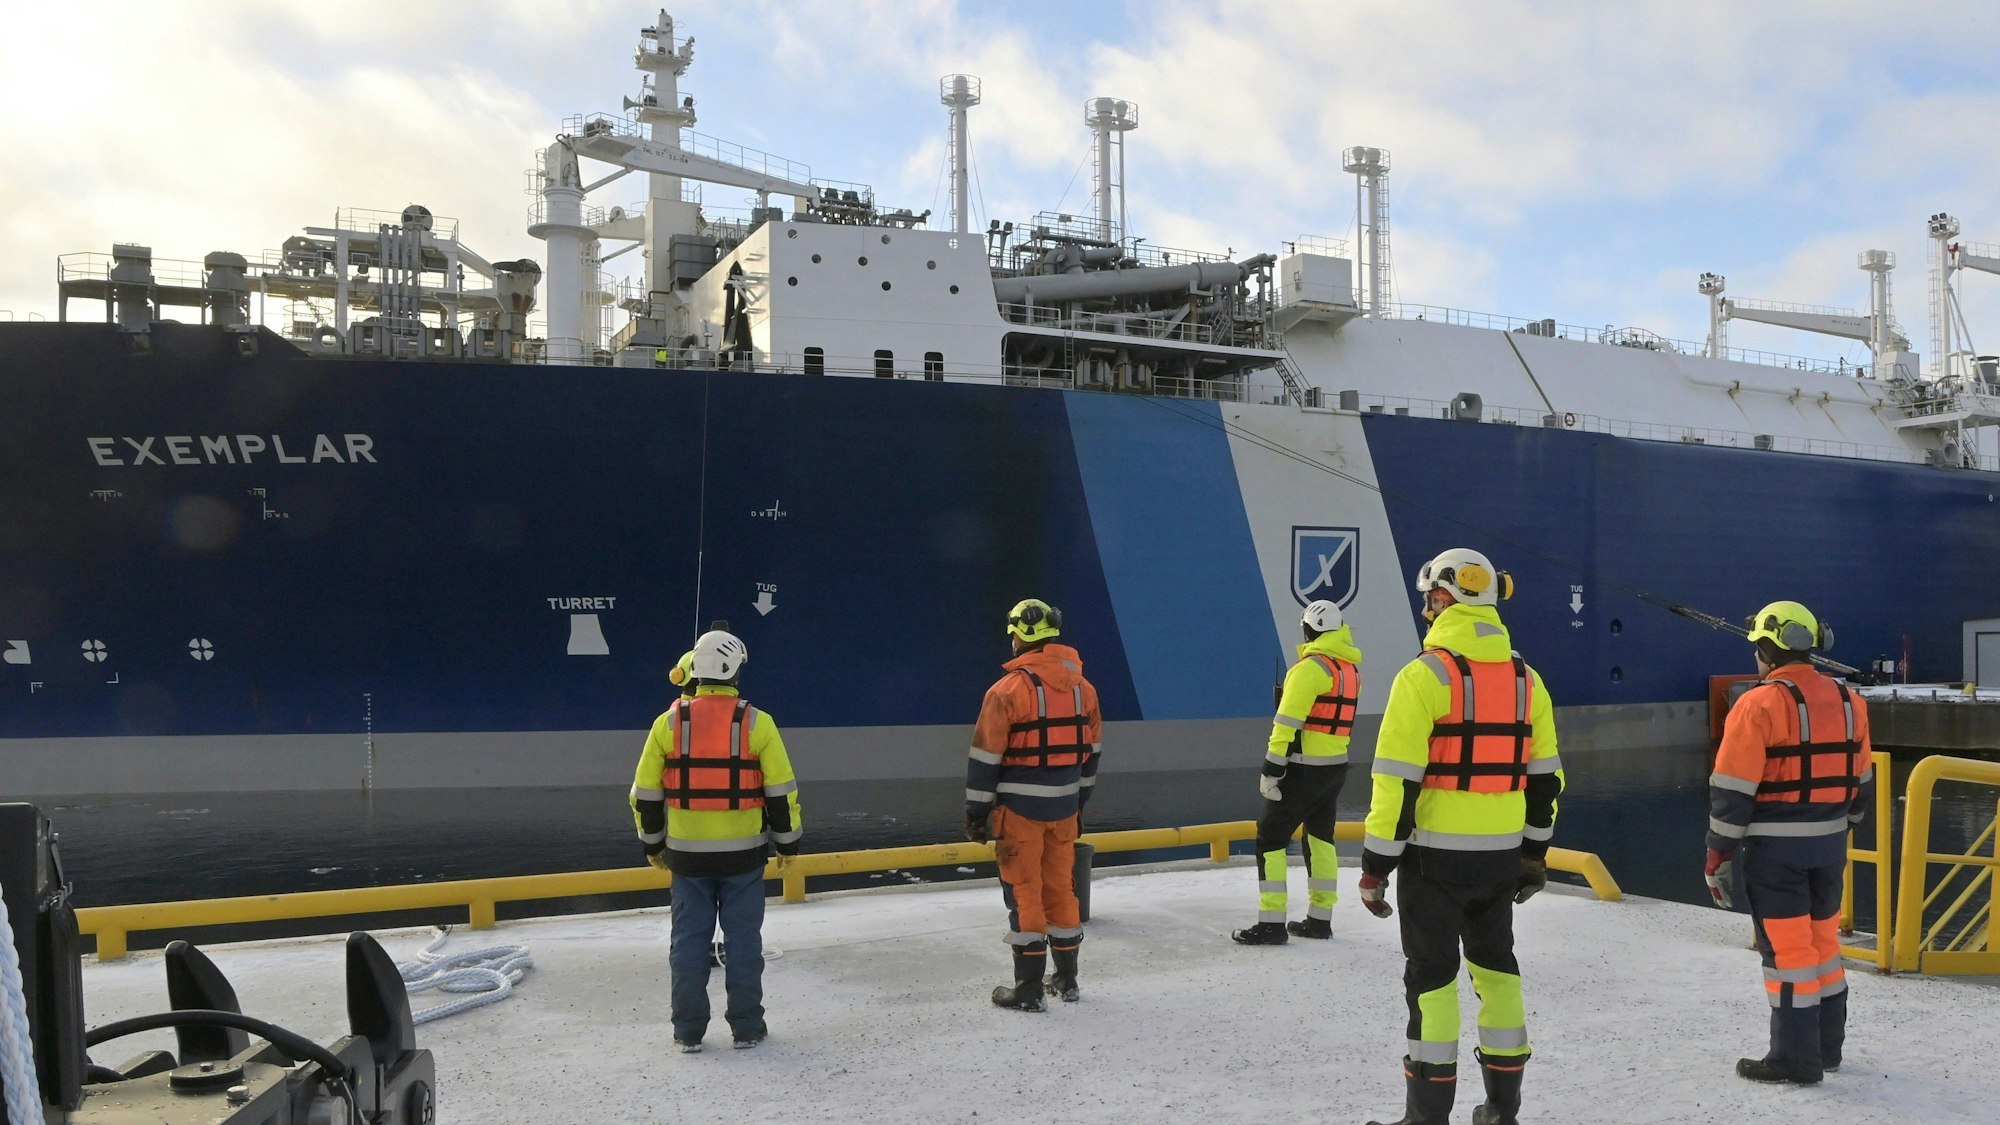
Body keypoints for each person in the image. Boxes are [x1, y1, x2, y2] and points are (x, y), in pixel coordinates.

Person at [1359, 549, 1562, 1125]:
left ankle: (1425, 1118)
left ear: (1444, 599)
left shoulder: (1423, 676)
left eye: (1428, 598)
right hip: (1500, 860)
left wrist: (1376, 867)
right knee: (1497, 970)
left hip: (1433, 862)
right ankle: (1502, 1112)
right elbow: (1547, 779)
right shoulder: (1529, 681)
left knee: (1432, 981)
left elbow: (1394, 782)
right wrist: (1533, 855)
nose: (1426, 609)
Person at [1704, 601, 1873, 1085]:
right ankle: (1826, 1050)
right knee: (1823, 944)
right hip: (1830, 844)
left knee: (1788, 955)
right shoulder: (1849, 701)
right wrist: (1841, 824)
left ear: (1765, 648)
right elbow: (1860, 780)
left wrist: (1719, 852)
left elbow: (1733, 791)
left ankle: (1794, 1060)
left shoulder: (1757, 704)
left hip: (1776, 854)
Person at [629, 629, 802, 1052]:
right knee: (744, 945)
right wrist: (788, 845)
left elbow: (645, 794)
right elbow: (782, 792)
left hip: (686, 861)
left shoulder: (667, 723)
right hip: (744, 859)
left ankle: (688, 1033)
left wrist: (653, 845)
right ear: (735, 672)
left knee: (688, 944)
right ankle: (747, 1029)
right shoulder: (758, 722)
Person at [964, 598, 1103, 1011]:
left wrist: (975, 815)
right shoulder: (1085, 689)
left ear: (1019, 635)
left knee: (1024, 895)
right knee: (1062, 890)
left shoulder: (1007, 690)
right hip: (1064, 810)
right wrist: (1079, 804)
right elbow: (1091, 756)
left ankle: (1027, 990)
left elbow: (984, 761)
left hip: (1019, 815)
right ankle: (1067, 979)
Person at [1233, 599, 1362, 944]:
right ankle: (1320, 920)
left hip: (1303, 771)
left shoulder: (1309, 669)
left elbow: (1286, 724)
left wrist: (1271, 768)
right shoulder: (1349, 670)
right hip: (1335, 769)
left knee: (1270, 838)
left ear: (1309, 629)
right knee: (1321, 840)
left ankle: (1272, 923)